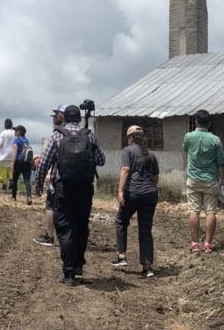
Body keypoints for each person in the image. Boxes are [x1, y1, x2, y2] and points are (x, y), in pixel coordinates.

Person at [35, 105, 105, 286]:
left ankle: (68, 273)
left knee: (66, 227)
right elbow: (101, 160)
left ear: (64, 118)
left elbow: (44, 163)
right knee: (82, 225)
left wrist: (38, 184)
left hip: (64, 187)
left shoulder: (58, 135)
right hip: (85, 188)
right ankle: (79, 264)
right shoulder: (89, 135)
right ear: (79, 118)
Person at [112, 125, 159, 278]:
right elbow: (155, 178)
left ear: (130, 138)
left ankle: (121, 256)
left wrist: (120, 190)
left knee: (121, 221)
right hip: (150, 194)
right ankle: (147, 267)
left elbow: (125, 169)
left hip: (132, 193)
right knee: (145, 230)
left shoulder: (127, 151)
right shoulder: (152, 154)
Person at [182, 109, 224, 252]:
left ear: (195, 121)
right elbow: (221, 162)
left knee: (193, 211)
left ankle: (194, 244)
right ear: (210, 123)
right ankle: (207, 244)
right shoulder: (215, 140)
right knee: (211, 212)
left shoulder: (188, 137)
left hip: (193, 180)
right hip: (211, 181)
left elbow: (185, 149)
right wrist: (223, 180)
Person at [10, 125, 33, 204]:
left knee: (15, 179)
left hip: (19, 161)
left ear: (19, 132)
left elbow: (14, 153)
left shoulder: (16, 140)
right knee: (27, 180)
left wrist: (12, 163)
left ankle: (13, 197)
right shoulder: (26, 140)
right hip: (27, 162)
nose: (14, 132)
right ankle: (29, 197)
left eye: (16, 130)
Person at [0, 119, 15, 190]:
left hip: (4, 154)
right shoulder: (14, 132)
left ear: (5, 125)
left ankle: (4, 185)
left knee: (3, 170)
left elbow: (0, 144)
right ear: (11, 124)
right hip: (13, 154)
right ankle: (11, 182)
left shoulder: (3, 132)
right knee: (11, 169)